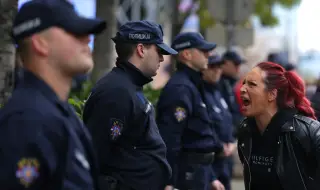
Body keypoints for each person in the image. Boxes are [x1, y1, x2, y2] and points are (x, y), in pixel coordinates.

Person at [0, 0, 106, 189]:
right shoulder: (27, 120)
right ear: (40, 43)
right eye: (73, 31)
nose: (87, 39)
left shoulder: (54, 113)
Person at [82, 20, 177, 190]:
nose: (162, 58)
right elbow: (97, 155)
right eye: (158, 51)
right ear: (141, 50)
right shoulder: (116, 92)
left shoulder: (128, 86)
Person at [237, 61, 320, 190]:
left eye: (252, 84)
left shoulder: (307, 131)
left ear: (272, 94)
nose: (242, 89)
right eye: (243, 83)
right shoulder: (245, 130)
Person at [156, 32, 222, 190]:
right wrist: (169, 181)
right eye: (203, 51)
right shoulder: (181, 88)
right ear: (187, 54)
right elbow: (171, 137)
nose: (208, 54)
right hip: (187, 174)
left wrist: (211, 176)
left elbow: (198, 135)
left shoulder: (193, 84)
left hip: (199, 171)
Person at [202, 55, 236, 190]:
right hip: (211, 161)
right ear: (203, 69)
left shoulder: (217, 92)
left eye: (219, 67)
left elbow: (227, 121)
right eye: (212, 67)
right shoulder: (200, 93)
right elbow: (204, 127)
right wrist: (220, 146)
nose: (217, 70)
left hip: (225, 162)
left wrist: (232, 142)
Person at [219, 51, 245, 132]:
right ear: (225, 63)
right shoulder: (218, 83)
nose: (238, 68)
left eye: (239, 64)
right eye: (236, 64)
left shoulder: (232, 82)